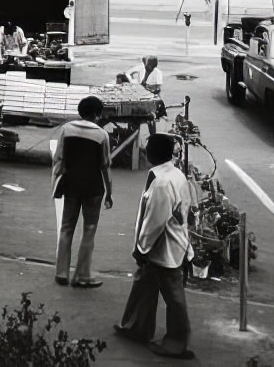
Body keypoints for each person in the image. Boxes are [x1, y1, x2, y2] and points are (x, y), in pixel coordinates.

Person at [114, 134, 194, 359]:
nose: (145, 151)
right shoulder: (173, 174)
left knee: (173, 296)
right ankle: (135, 327)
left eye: (147, 149)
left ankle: (176, 342)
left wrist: (142, 248)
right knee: (144, 286)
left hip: (163, 247)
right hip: (170, 244)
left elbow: (156, 221)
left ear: (153, 154)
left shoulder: (162, 182)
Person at [51, 95, 113, 288]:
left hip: (70, 184)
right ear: (97, 113)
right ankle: (82, 276)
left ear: (80, 111)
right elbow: (105, 166)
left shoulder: (67, 129)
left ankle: (61, 273)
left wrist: (56, 182)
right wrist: (109, 193)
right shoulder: (102, 135)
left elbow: (58, 158)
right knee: (89, 230)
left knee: (66, 228)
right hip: (93, 188)